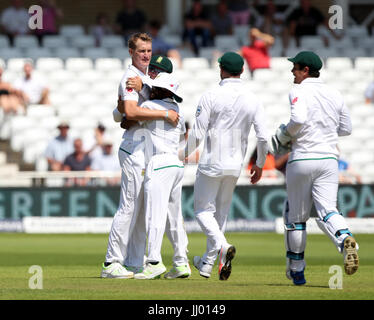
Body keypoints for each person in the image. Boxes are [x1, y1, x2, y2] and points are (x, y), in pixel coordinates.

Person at [271, 51, 359, 286]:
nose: (292, 72)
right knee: (328, 210)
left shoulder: (298, 90)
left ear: (306, 70)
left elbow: (298, 120)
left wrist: (284, 134)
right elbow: (346, 128)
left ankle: (297, 271)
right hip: (329, 158)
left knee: (296, 217)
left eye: (295, 68)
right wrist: (323, 131)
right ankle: (345, 238)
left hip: (302, 158)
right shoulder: (334, 92)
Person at [181, 52, 269, 280]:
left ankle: (222, 246)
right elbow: (263, 138)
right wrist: (259, 164)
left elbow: (198, 134)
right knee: (220, 215)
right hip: (235, 165)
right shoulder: (253, 98)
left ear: (221, 69)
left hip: (211, 162)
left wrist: (181, 155)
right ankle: (207, 264)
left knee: (202, 211)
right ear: (241, 71)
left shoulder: (211, 94)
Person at [101, 33, 179, 279]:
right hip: (133, 148)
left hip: (142, 149)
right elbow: (132, 110)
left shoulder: (145, 78)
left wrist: (124, 112)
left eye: (148, 50)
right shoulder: (131, 77)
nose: (146, 55)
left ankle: (134, 261)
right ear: (131, 53)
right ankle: (111, 262)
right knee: (129, 206)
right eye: (141, 51)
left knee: (141, 207)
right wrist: (165, 115)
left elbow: (124, 112)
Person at [133, 72, 189, 280]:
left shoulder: (149, 106)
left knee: (154, 214)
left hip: (159, 163)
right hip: (176, 162)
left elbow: (127, 115)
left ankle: (154, 261)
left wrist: (140, 89)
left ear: (156, 89)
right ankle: (181, 262)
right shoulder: (177, 109)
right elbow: (183, 134)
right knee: (175, 216)